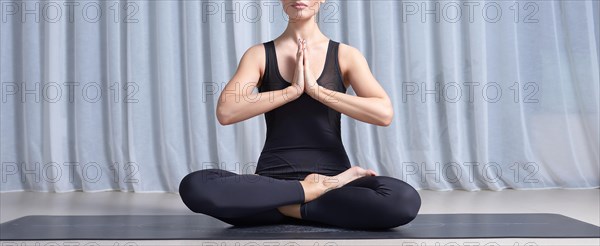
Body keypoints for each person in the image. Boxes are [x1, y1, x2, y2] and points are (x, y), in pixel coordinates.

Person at [179, 0, 421, 230]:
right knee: (195, 186)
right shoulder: (259, 55)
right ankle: (307, 197)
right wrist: (291, 91)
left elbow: (383, 113)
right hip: (273, 181)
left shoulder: (345, 55)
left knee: (404, 199)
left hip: (334, 181)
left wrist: (317, 91)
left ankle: (287, 207)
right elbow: (226, 111)